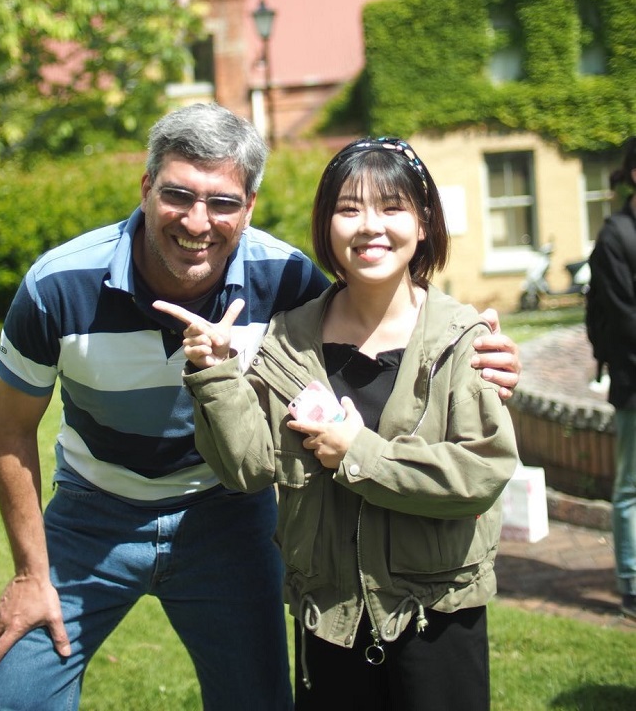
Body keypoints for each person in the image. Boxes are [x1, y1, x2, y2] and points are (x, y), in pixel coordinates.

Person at [0, 107, 521, 711]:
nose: (197, 221)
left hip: (226, 515)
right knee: (11, 701)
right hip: (92, 511)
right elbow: (11, 432)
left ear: (250, 206)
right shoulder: (58, 285)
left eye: (223, 203)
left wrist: (480, 351)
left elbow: (380, 322)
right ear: (146, 188)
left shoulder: (286, 281)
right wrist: (30, 575)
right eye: (177, 194)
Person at [159, 136, 519, 710]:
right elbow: (248, 469)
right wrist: (217, 374)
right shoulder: (289, 339)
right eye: (349, 209)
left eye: (392, 207)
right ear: (326, 225)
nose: (370, 226)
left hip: (435, 615)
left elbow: (482, 473)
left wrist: (359, 452)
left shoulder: (462, 341)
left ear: (423, 223)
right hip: (327, 617)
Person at [586, 136, 636, 621]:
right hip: (634, 380)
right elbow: (624, 319)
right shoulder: (616, 237)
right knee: (631, 488)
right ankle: (632, 584)